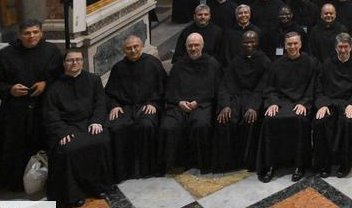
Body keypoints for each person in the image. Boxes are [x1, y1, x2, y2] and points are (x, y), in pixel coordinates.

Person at [0, 19, 63, 192]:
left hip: (43, 108)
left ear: (41, 33)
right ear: (19, 35)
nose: (31, 36)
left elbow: (60, 75)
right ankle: (16, 185)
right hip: (15, 111)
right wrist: (9, 89)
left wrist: (45, 84)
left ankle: (47, 182)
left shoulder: (51, 51)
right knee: (14, 149)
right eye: (27, 33)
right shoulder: (6, 55)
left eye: (35, 32)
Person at [43, 51, 112, 208]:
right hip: (67, 126)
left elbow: (100, 103)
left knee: (102, 140)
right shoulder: (54, 87)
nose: (74, 63)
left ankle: (98, 187)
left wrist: (96, 121)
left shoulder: (93, 80)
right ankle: (74, 195)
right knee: (68, 148)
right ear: (64, 63)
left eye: (78, 59)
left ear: (83, 61)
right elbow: (50, 114)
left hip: (89, 123)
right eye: (70, 60)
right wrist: (62, 132)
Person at [257, 33, 317, 182]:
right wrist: (272, 103)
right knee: (269, 120)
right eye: (289, 44)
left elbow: (313, 88)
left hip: (300, 103)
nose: (292, 47)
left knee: (298, 120)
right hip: (281, 102)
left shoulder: (310, 63)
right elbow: (270, 88)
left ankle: (299, 165)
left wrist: (304, 103)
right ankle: (271, 164)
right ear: (285, 46)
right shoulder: (276, 64)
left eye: (295, 43)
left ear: (300, 44)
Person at [106, 35, 166, 181]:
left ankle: (147, 169)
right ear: (123, 50)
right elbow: (108, 93)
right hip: (125, 107)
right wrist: (114, 105)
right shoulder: (118, 68)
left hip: (148, 105)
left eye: (135, 47)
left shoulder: (153, 64)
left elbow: (164, 88)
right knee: (116, 127)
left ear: (141, 46)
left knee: (146, 125)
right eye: (128, 48)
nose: (133, 50)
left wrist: (154, 104)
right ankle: (123, 172)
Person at [161, 33, 221, 171]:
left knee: (200, 125)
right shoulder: (178, 66)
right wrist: (179, 102)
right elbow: (170, 90)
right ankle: (175, 163)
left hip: (202, 104)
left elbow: (216, 90)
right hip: (179, 105)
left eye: (196, 45)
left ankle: (199, 162)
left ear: (202, 46)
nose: (193, 48)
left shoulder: (212, 64)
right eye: (190, 46)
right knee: (168, 126)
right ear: (186, 47)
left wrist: (197, 102)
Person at [213, 30, 269, 171]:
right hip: (236, 98)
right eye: (246, 42)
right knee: (225, 119)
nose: (249, 44)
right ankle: (229, 162)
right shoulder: (235, 61)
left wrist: (254, 107)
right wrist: (225, 105)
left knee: (250, 120)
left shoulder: (264, 61)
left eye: (252, 41)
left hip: (255, 99)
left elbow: (263, 88)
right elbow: (225, 86)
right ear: (241, 43)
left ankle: (248, 161)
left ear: (257, 42)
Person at [313, 33, 352, 177]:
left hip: (349, 102)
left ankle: (345, 163)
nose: (342, 50)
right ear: (335, 48)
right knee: (321, 122)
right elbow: (319, 87)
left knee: (348, 123)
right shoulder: (327, 63)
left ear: (351, 47)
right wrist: (323, 104)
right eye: (340, 47)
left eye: (345, 47)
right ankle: (325, 163)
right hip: (330, 102)